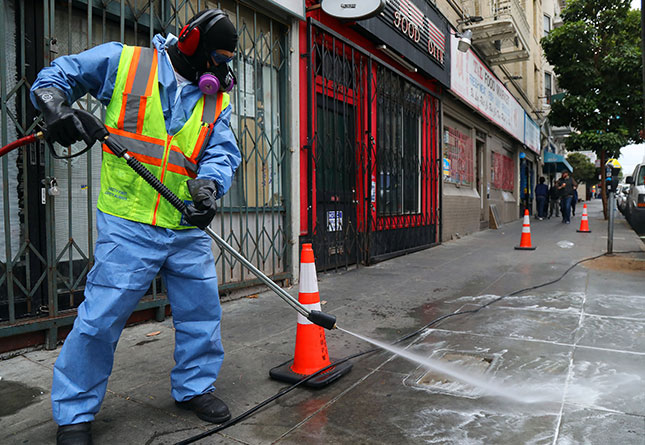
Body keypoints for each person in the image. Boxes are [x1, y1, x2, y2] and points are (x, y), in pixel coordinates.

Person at [30, 9, 241, 445]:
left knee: (201, 312)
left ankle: (195, 388)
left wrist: (209, 186)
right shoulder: (126, 63)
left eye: (226, 61)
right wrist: (54, 105)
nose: (222, 69)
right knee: (100, 319)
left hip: (183, 223)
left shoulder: (215, 98)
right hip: (129, 222)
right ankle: (74, 413)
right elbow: (60, 74)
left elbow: (221, 151)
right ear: (189, 44)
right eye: (217, 58)